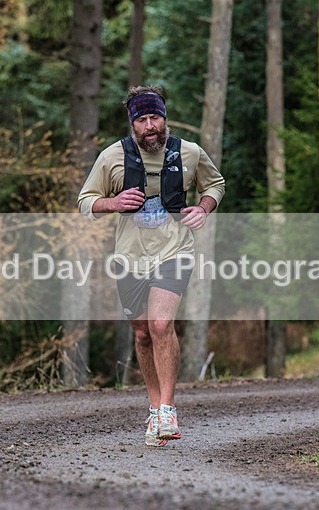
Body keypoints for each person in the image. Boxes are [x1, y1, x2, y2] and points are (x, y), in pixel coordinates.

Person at [77, 86, 225, 446]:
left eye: (155, 117)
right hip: (130, 258)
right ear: (132, 125)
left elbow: (216, 184)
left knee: (161, 324)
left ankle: (168, 410)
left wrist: (203, 208)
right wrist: (112, 203)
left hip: (176, 251)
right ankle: (154, 406)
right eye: (142, 120)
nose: (150, 126)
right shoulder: (112, 157)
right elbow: (85, 201)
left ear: (165, 118)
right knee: (142, 333)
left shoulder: (188, 152)